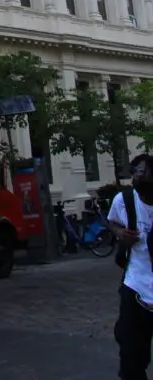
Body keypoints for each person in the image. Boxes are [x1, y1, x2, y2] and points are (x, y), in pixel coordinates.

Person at [108, 154, 153, 379]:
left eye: (142, 171)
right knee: (131, 356)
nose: (136, 175)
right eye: (135, 170)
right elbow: (113, 222)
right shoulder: (124, 200)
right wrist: (121, 235)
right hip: (136, 286)